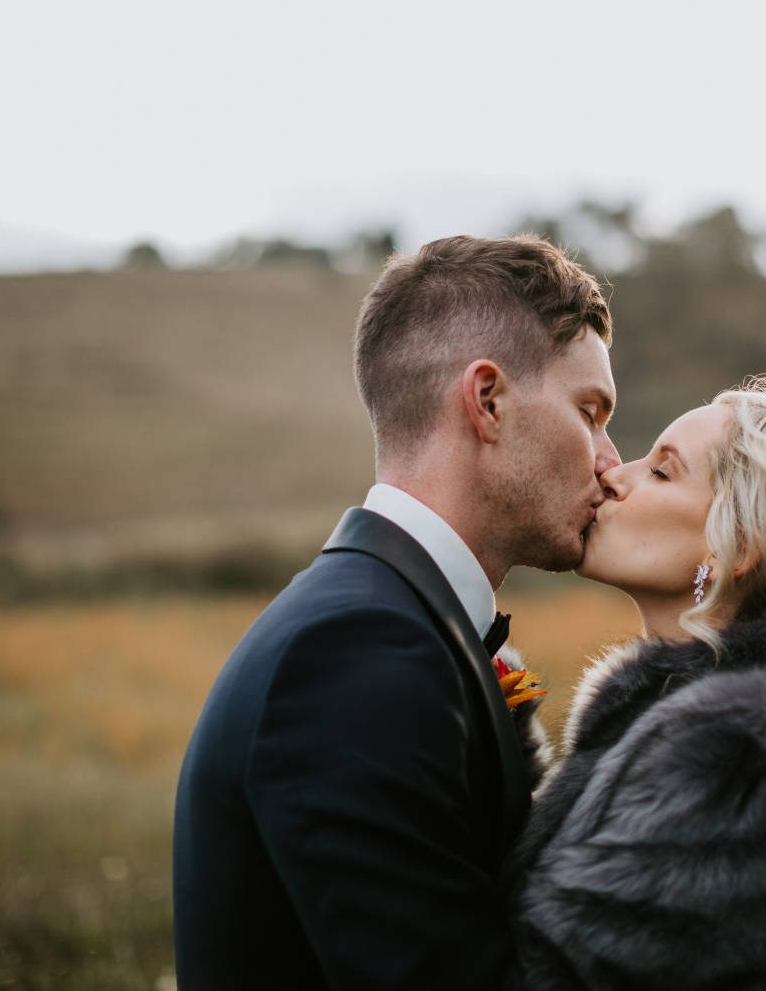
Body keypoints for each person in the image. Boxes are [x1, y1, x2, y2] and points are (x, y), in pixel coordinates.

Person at [172, 235, 620, 989]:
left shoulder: (390, 621)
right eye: (591, 411)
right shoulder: (355, 652)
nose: (610, 461)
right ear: (488, 402)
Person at [512, 378, 766, 991]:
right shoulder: (700, 711)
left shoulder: (759, 744)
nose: (612, 473)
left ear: (735, 543)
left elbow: (564, 974)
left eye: (662, 472)